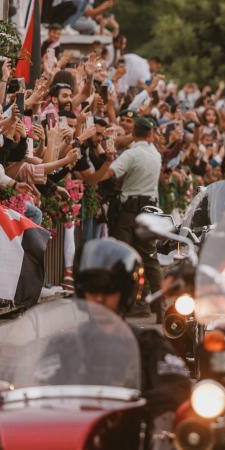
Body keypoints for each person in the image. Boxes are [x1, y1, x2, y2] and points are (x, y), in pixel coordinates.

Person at [73, 238, 189, 418]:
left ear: (126, 292)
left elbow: (177, 387)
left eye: (108, 291)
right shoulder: (66, 344)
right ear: (82, 292)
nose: (99, 299)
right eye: (93, 290)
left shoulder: (149, 344)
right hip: (74, 438)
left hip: (130, 436)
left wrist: (137, 408)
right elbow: (37, 393)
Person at [85, 115, 164, 318]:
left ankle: (122, 304)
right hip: (149, 209)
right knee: (150, 258)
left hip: (130, 212)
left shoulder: (131, 155)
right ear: (151, 134)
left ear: (134, 133)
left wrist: (91, 178)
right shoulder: (156, 154)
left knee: (124, 255)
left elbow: (109, 174)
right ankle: (158, 304)